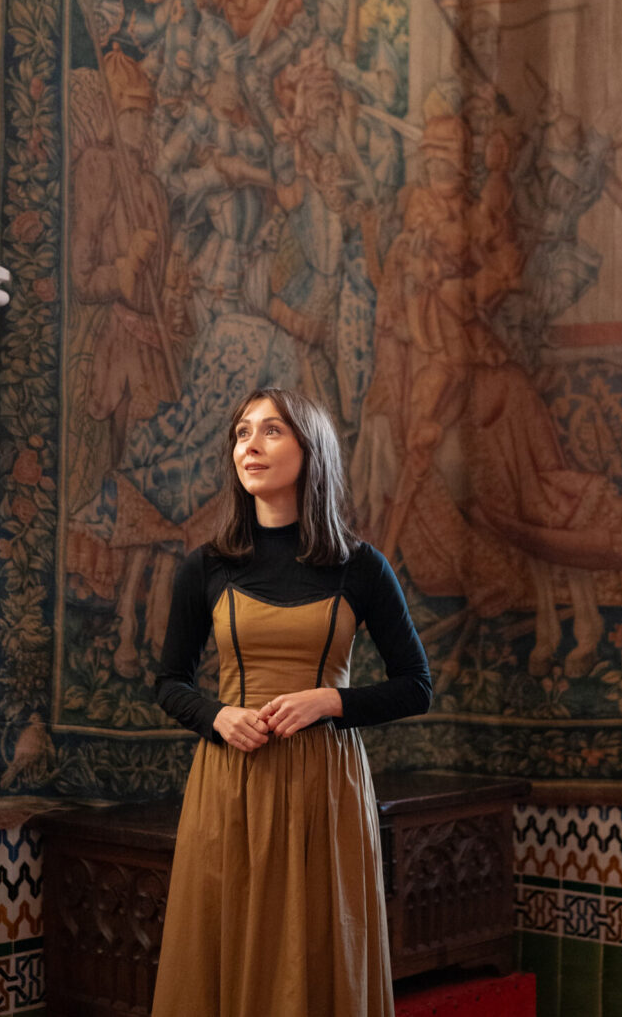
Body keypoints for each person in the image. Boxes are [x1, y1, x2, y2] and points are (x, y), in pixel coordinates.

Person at [151, 387, 432, 1017]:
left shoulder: (361, 567)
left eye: (271, 430)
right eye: (242, 432)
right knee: (222, 945)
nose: (250, 445)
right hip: (230, 784)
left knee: (316, 951)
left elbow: (417, 684)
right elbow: (169, 681)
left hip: (323, 787)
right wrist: (217, 716)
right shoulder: (206, 567)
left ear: (311, 450)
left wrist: (328, 703)